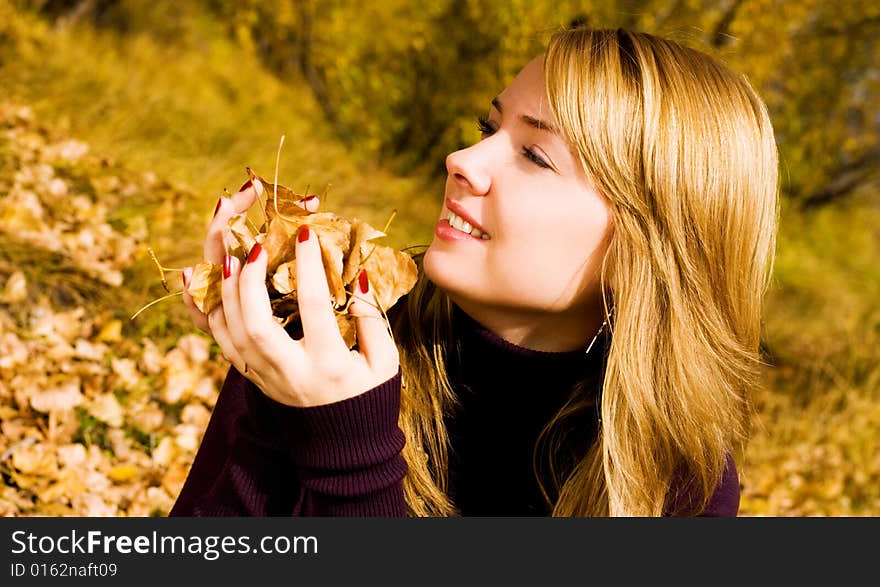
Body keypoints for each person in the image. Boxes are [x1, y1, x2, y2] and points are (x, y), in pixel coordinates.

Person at [169, 25, 779, 517]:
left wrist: (350, 457)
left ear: (647, 250)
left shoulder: (676, 476)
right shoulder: (336, 331)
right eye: (489, 128)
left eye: (535, 154)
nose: (460, 159)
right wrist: (281, 393)